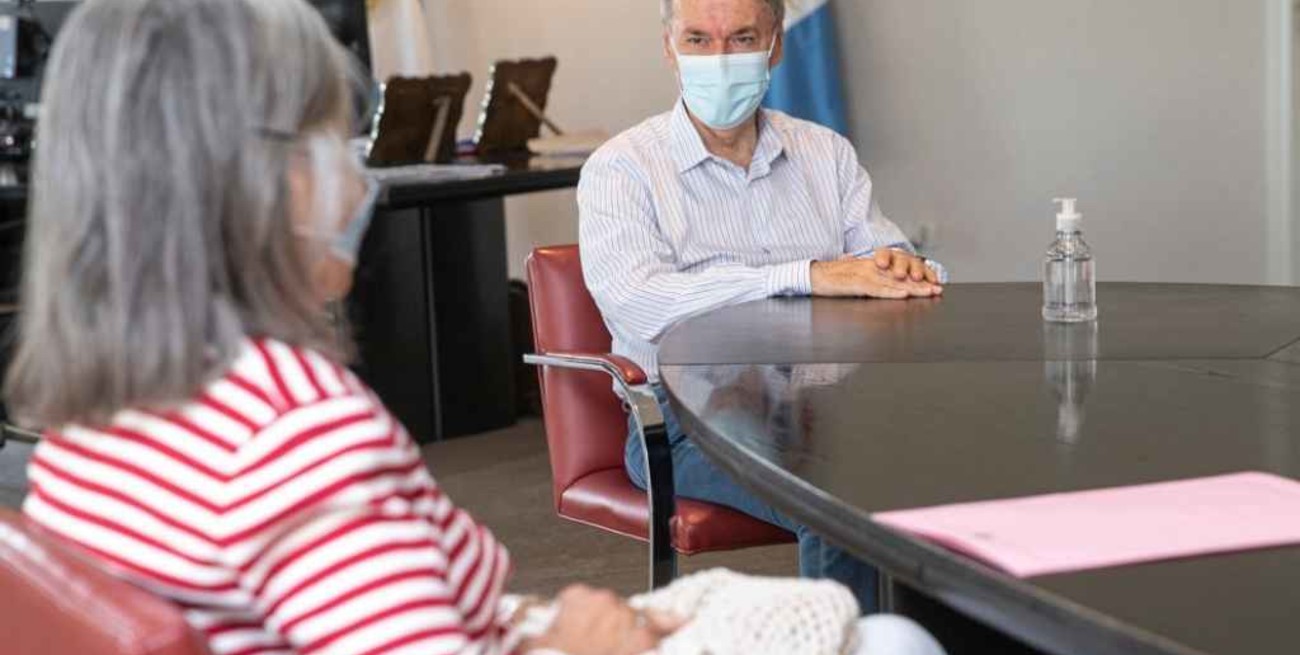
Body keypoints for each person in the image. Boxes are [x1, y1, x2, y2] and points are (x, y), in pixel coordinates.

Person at [6, 0, 945, 653]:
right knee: (894, 633)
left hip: (518, 623)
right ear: (244, 179)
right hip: (669, 460)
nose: (361, 181)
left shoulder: (92, 425)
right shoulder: (299, 436)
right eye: (340, 138)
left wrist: (538, 622)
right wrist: (587, 642)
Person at [578, 0, 948, 614]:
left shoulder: (823, 153)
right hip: (689, 419)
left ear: (776, 44)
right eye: (698, 39)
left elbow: (886, 254)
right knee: (838, 504)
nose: (719, 60)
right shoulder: (622, 169)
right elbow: (641, 304)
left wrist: (901, 268)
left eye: (742, 38)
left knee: (956, 474)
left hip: (835, 400)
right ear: (669, 47)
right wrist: (806, 276)